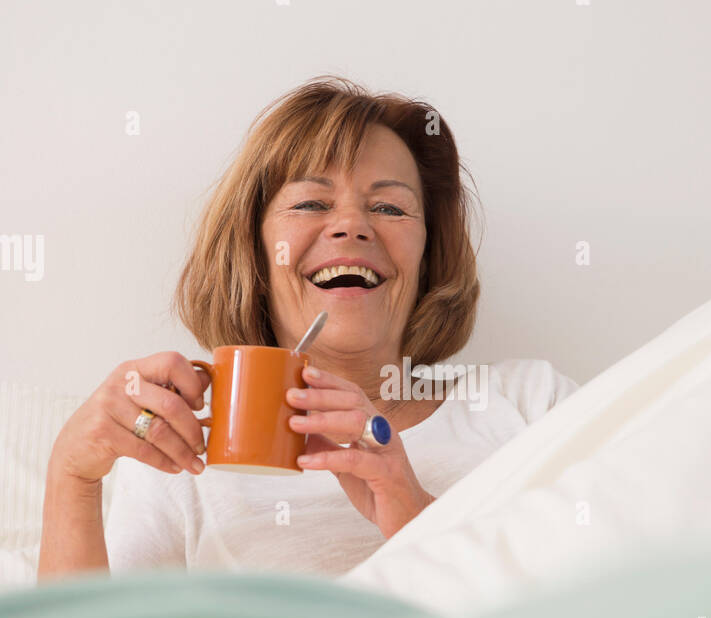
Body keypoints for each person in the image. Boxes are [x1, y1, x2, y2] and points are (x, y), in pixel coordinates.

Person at [38, 77, 577, 580]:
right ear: (252, 250)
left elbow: (597, 614)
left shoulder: (530, 403)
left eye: (390, 207)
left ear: (429, 253)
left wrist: (411, 509)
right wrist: (72, 479)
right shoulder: (171, 456)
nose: (352, 225)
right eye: (311, 203)